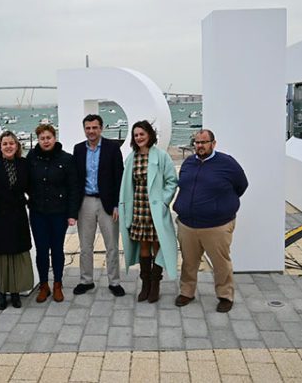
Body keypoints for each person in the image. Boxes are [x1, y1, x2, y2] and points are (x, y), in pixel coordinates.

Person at [173, 129, 248, 313]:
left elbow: (241, 185)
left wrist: (220, 205)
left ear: (213, 143)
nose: (199, 146)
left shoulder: (227, 163)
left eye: (204, 142)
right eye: (197, 142)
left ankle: (225, 295)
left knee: (220, 263)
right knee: (189, 262)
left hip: (217, 226)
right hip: (187, 224)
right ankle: (187, 292)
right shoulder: (189, 162)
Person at [118, 120, 178, 303]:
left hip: (156, 209)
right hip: (139, 208)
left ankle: (155, 284)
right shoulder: (131, 158)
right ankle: (145, 284)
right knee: (144, 246)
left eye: (142, 134)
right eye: (136, 135)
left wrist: (163, 202)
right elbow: (127, 185)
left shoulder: (161, 156)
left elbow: (172, 181)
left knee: (157, 245)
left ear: (149, 135)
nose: (139, 138)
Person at [0, 130, 34, 311]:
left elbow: (31, 189)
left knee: (16, 255)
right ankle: (2, 292)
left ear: (17, 146)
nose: (8, 146)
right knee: (0, 257)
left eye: (12, 143)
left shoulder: (24, 164)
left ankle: (15, 292)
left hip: (17, 217)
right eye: (5, 144)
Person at [73, 114, 125, 296]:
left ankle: (114, 282)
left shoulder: (112, 148)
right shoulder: (78, 149)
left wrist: (118, 204)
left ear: (101, 128)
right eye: (88, 128)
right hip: (85, 202)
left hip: (108, 203)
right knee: (85, 245)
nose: (91, 131)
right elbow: (75, 179)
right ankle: (86, 280)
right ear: (84, 129)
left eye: (94, 127)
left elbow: (120, 177)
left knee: (111, 245)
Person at [27, 123, 80, 303]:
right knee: (41, 250)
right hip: (37, 212)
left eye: (48, 137)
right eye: (42, 138)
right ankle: (44, 285)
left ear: (54, 138)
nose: (46, 141)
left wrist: (72, 214)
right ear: (38, 140)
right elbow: (25, 183)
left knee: (57, 249)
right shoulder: (31, 158)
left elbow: (74, 188)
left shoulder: (66, 159)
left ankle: (58, 284)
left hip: (59, 213)